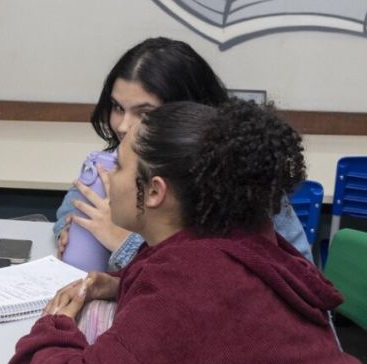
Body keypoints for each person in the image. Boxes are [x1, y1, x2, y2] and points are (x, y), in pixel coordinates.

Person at [8, 99, 367, 364]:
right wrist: (122, 283)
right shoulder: (232, 239)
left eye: (118, 165)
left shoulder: (190, 287)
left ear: (154, 192)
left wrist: (54, 327)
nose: (108, 176)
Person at [54, 37, 312, 269]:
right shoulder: (118, 162)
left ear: (186, 115)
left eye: (144, 113)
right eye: (118, 107)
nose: (123, 126)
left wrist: (127, 245)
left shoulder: (242, 189)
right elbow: (72, 208)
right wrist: (68, 231)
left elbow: (211, 284)